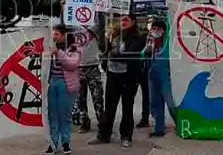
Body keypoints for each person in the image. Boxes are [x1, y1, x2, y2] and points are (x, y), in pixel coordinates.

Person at [93, 15, 145, 148]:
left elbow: (131, 54)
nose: (123, 22)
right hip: (113, 75)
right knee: (109, 107)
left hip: (129, 77)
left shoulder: (137, 38)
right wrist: (106, 41)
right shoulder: (114, 35)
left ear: (133, 22)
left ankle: (126, 136)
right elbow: (103, 50)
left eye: (126, 19)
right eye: (121, 19)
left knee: (127, 107)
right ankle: (104, 135)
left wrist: (113, 54)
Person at [45, 25, 83, 155]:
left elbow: (72, 64)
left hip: (66, 85)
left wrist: (58, 53)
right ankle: (53, 143)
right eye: (53, 34)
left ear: (64, 35)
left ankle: (66, 142)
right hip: (51, 84)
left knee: (65, 115)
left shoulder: (74, 49)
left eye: (56, 34)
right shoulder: (49, 48)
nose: (54, 36)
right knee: (52, 114)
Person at [142, 18, 176, 137]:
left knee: (171, 102)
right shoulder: (150, 42)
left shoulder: (168, 44)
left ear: (164, 31)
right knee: (155, 103)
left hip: (166, 76)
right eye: (154, 28)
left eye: (159, 29)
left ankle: (181, 124)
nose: (156, 31)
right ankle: (159, 128)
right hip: (152, 75)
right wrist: (145, 52)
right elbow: (143, 56)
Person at [73, 25, 104, 134]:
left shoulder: (94, 23)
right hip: (78, 67)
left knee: (98, 97)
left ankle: (102, 123)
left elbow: (100, 22)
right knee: (80, 98)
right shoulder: (72, 25)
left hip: (93, 65)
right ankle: (84, 122)